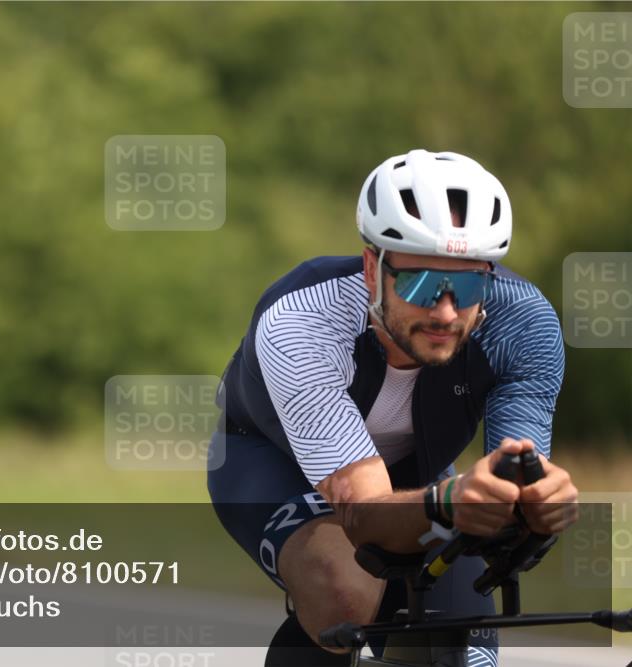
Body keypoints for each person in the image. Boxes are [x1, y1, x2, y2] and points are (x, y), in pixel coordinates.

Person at [207, 149, 579, 666]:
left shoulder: (523, 325)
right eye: (421, 282)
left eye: (467, 284)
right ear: (371, 268)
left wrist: (535, 512)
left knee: (464, 654)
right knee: (343, 594)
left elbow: (516, 486)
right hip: (273, 461)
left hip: (421, 477)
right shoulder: (302, 320)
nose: (445, 311)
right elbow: (364, 515)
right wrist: (447, 504)